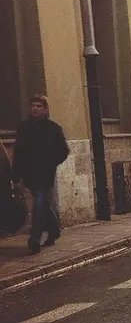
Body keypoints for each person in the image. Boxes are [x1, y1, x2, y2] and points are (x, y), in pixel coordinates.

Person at [12, 94, 69, 254]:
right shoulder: (24, 127)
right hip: (29, 173)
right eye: (33, 106)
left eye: (39, 106)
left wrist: (51, 162)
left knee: (39, 202)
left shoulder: (53, 128)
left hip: (45, 173)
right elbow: (19, 152)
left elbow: (64, 151)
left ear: (45, 109)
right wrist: (16, 174)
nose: (35, 109)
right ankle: (54, 230)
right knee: (42, 203)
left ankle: (35, 237)